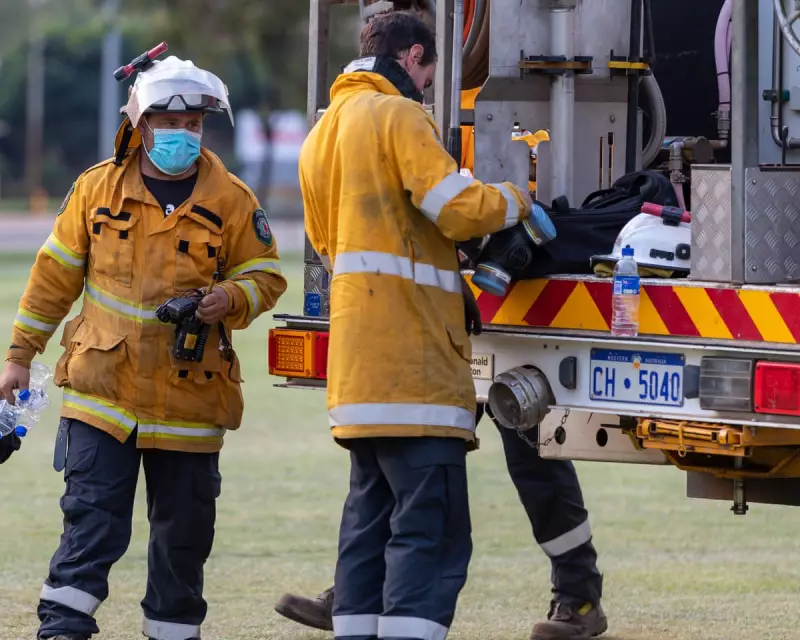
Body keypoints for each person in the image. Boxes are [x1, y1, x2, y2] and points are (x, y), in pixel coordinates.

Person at [275, 16, 607, 640]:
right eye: (429, 72)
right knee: (436, 520)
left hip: (361, 364)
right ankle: (576, 593)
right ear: (416, 55)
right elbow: (455, 206)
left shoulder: (321, 132)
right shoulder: (400, 116)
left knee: (373, 505)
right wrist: (516, 199)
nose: (430, 87)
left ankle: (353, 605)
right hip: (421, 353)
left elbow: (334, 242)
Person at [0, 55, 287, 640]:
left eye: (194, 125)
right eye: (166, 120)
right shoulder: (96, 189)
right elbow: (53, 278)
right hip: (102, 397)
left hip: (190, 404)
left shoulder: (232, 200)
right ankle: (61, 630)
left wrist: (227, 299)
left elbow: (267, 277)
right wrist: (18, 355)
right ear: (139, 122)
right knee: (90, 528)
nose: (182, 134)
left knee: (183, 544)